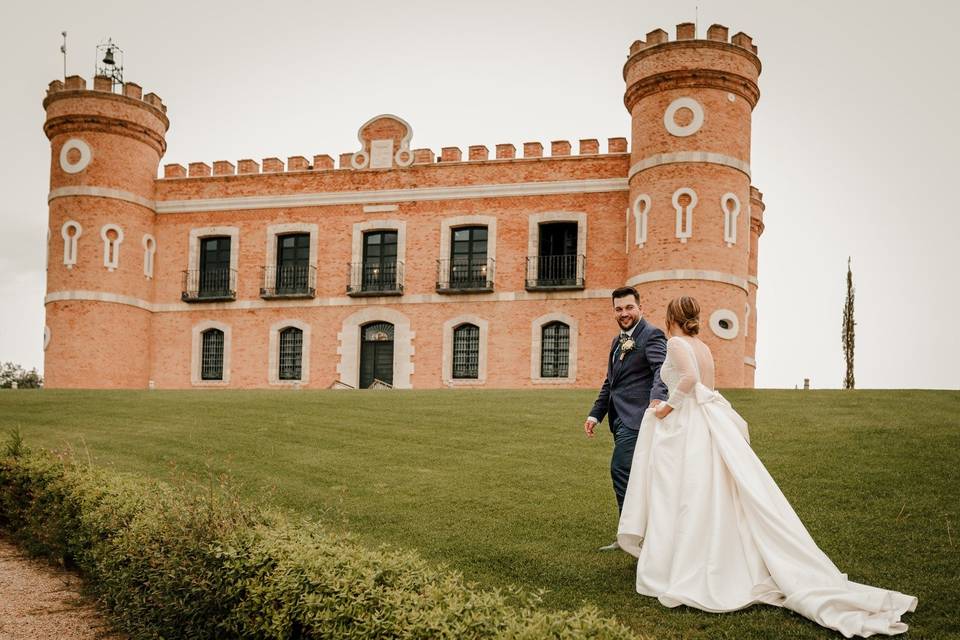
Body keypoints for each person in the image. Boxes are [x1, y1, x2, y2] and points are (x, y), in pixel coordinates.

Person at [617, 296, 916, 637]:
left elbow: (686, 381)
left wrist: (664, 410)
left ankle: (691, 564)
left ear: (672, 317)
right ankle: (715, 553)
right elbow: (704, 384)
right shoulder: (703, 345)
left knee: (688, 492)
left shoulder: (677, 343)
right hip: (710, 418)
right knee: (717, 491)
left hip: (691, 425)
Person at [584, 286, 668, 550]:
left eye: (629, 307)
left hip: (639, 418)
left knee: (621, 469)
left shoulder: (652, 335)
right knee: (633, 476)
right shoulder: (617, 340)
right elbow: (611, 382)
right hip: (619, 420)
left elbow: (661, 371)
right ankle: (634, 535)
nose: (624, 313)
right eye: (619, 309)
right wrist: (596, 414)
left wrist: (657, 398)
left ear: (640, 308)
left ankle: (633, 537)